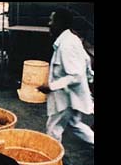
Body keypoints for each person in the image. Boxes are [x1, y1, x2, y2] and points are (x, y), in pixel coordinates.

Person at [37, 8, 94, 146]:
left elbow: (75, 75)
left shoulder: (67, 45)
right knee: (74, 125)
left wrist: (51, 86)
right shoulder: (70, 39)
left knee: (53, 129)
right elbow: (86, 61)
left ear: (60, 23)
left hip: (67, 98)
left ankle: (54, 163)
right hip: (72, 96)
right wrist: (90, 79)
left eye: (52, 20)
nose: (49, 24)